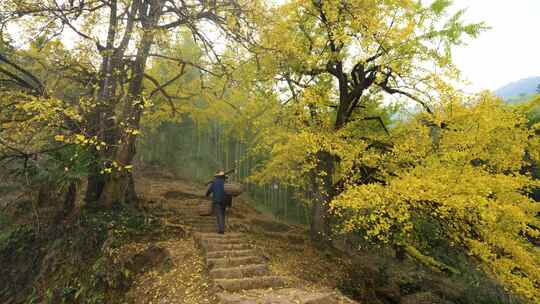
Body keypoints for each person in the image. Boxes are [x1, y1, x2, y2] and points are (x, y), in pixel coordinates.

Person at [206, 170, 228, 234]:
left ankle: (221, 229)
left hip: (216, 200)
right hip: (224, 200)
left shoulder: (214, 182)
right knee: (223, 214)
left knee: (219, 214)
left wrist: (207, 195)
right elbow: (229, 192)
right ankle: (222, 228)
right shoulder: (226, 182)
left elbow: (210, 190)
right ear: (223, 177)